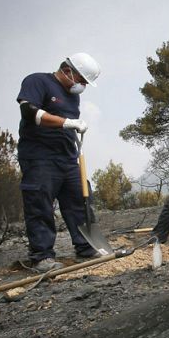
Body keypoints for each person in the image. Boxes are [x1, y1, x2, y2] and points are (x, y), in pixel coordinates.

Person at [16, 53, 102, 272]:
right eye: (81, 80)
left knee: (80, 199)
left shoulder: (73, 97)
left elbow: (69, 123)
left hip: (68, 158)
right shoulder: (37, 81)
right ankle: (42, 256)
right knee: (40, 204)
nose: (82, 85)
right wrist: (67, 122)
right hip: (39, 157)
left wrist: (75, 127)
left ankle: (86, 246)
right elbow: (29, 112)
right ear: (67, 71)